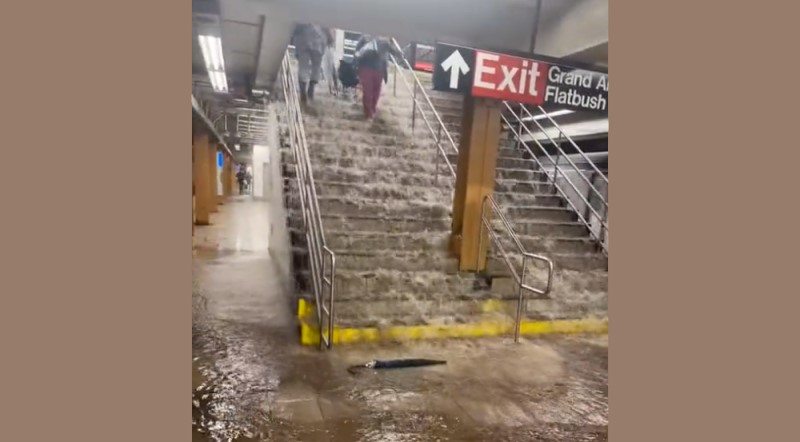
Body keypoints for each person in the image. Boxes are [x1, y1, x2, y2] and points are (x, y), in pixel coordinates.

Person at [353, 35, 402, 121]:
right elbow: (357, 52)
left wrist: (400, 54)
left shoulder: (384, 40)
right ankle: (368, 113)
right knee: (368, 91)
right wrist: (356, 65)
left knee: (376, 91)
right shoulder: (365, 38)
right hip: (366, 67)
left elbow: (393, 50)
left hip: (379, 69)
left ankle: (372, 110)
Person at [291, 24, 334, 104]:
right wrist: (330, 39)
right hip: (319, 41)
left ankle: (303, 92)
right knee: (316, 67)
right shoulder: (325, 18)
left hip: (303, 39)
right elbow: (328, 29)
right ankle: (311, 90)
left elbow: (296, 27)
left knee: (303, 66)